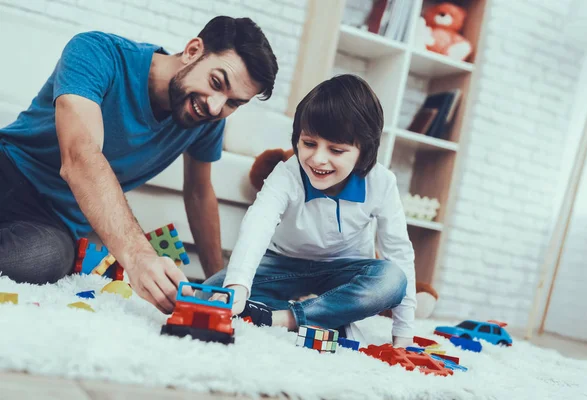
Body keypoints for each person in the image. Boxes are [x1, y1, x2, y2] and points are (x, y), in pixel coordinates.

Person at [0, 16, 278, 314]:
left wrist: (217, 285)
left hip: (52, 221)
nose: (215, 106)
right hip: (9, 169)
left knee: (44, 259)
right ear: (193, 50)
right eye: (215, 83)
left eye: (233, 103)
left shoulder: (207, 121)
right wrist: (138, 255)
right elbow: (81, 157)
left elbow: (199, 192)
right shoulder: (98, 52)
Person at [206, 74, 416, 347]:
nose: (318, 159)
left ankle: (286, 318)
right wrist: (237, 287)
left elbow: (398, 251)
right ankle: (324, 316)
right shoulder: (287, 174)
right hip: (283, 265)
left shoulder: (382, 182)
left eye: (336, 150)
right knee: (209, 294)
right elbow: (258, 224)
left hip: (343, 272)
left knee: (392, 280)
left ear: (363, 152)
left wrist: (404, 335)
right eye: (308, 144)